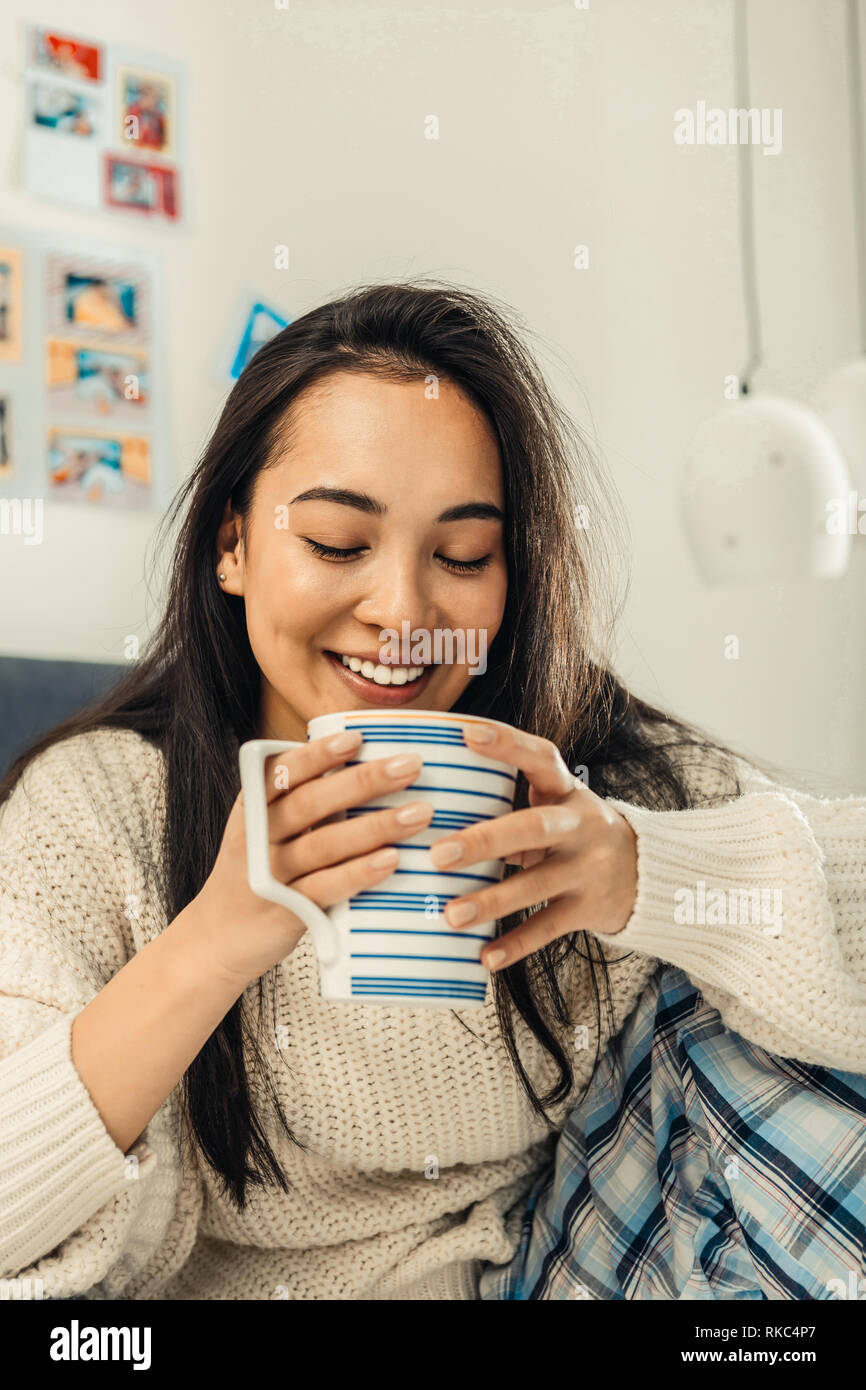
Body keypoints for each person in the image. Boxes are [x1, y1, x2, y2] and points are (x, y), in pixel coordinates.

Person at [0, 280, 864, 1301]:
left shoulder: (574, 779)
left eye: (461, 554)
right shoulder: (100, 810)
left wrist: (649, 875)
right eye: (335, 542)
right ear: (232, 544)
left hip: (557, 1271)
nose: (403, 612)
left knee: (755, 982)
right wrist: (217, 936)